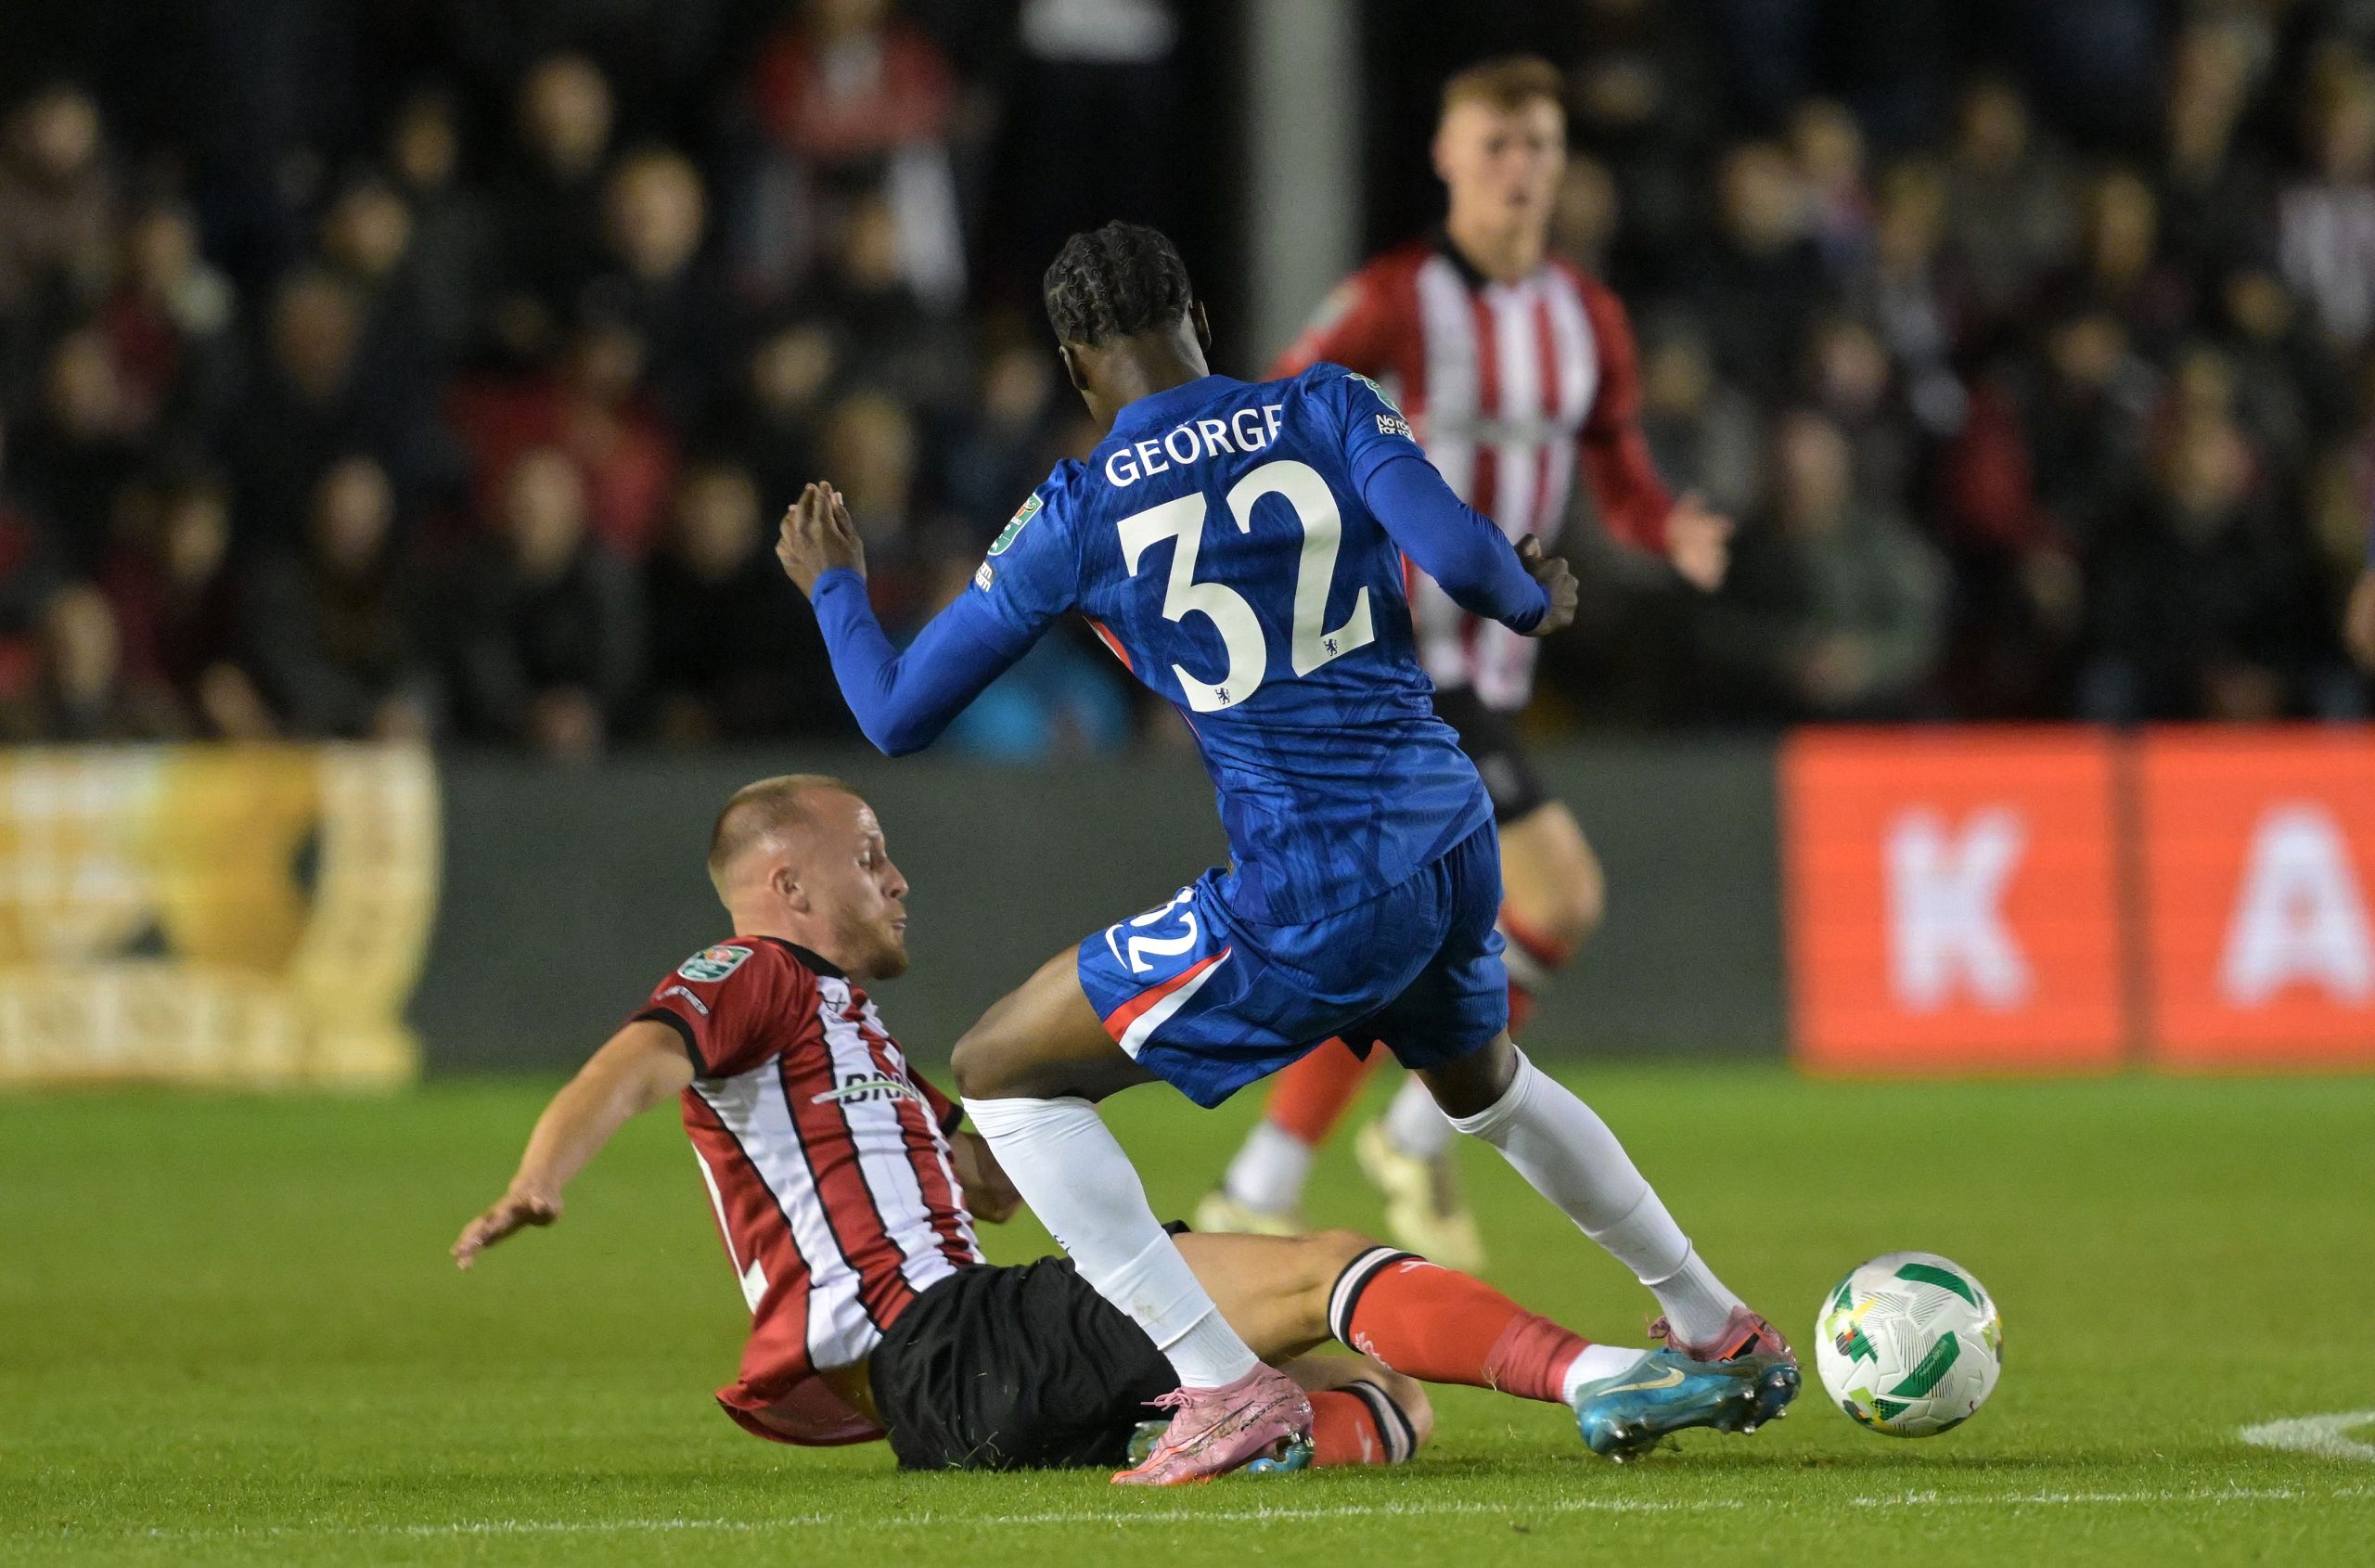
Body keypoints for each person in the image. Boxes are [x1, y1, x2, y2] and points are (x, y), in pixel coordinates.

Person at [773, 220, 1794, 1485]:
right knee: (1490, 1087)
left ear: (1076, 362)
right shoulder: (1327, 403)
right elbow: (1478, 564)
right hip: (1451, 825)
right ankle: (1715, 1320)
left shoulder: (1079, 508)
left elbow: (895, 714)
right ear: (1198, 308)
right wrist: (1534, 596)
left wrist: (833, 586)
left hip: (1309, 881)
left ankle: (1215, 1384)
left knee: (1000, 1071)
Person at [452, 776, 1792, 1473]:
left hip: (978, 1365)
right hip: (954, 1346)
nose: (899, 877)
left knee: (1388, 1407)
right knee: (1320, 1264)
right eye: (871, 857)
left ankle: (1193, 1439)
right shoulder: (749, 974)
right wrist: (539, 1177)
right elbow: (635, 1062)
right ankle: (1599, 1377)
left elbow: (976, 1181)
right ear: (784, 881)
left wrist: (982, 1146)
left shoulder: (851, 1037)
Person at [1203, 57, 1733, 1269]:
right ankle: (1413, 1133)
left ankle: (1265, 1180)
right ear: (1445, 161)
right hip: (1396, 663)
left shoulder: (1585, 319)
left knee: (1410, 936)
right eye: (1495, 144)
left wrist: (1667, 530)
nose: (1519, 168)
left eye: (1539, 145)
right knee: (1561, 892)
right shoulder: (1391, 301)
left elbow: (1618, 467)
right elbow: (1266, 422)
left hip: (1492, 677)